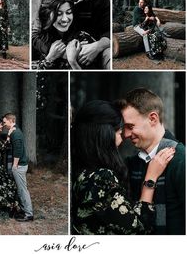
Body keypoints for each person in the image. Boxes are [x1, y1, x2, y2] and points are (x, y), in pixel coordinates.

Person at [71, 100, 175, 235]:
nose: (123, 138)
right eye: (119, 133)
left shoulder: (82, 170)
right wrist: (150, 179)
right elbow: (138, 229)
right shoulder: (101, 177)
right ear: (103, 134)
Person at [121, 88, 186, 234]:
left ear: (153, 119)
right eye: (123, 128)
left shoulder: (181, 160)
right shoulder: (131, 164)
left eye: (130, 126)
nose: (126, 134)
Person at [0, 117, 22, 217]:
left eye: (2, 124)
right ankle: (5, 208)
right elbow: (4, 146)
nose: (2, 126)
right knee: (1, 187)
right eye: (0, 124)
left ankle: (12, 208)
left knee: (9, 185)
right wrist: (9, 135)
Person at [2, 113, 34, 223]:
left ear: (11, 120)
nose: (4, 124)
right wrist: (8, 136)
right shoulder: (13, 132)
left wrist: (14, 165)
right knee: (20, 190)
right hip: (19, 165)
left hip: (19, 166)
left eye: (5, 121)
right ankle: (24, 210)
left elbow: (18, 150)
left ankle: (29, 214)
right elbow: (9, 145)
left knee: (22, 190)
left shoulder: (16, 133)